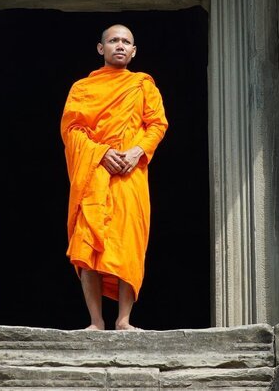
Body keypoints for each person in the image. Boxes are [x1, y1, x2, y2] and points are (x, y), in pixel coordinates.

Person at [60, 24, 168, 330]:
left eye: (126, 42)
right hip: (94, 173)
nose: (120, 45)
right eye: (113, 40)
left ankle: (123, 319)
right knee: (87, 242)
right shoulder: (82, 89)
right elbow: (72, 130)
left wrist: (136, 152)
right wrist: (101, 153)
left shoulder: (143, 85)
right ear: (101, 48)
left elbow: (157, 124)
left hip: (130, 174)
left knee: (127, 241)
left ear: (134, 52)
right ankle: (95, 321)